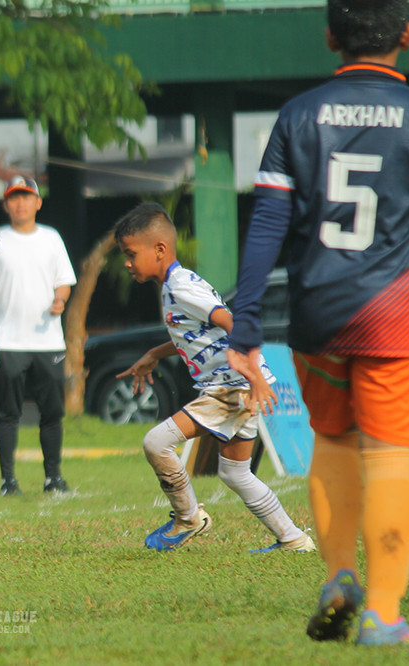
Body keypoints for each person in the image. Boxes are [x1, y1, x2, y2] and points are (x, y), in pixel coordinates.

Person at [226, 0, 409, 647]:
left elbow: (267, 222)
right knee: (390, 459)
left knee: (333, 441)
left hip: (318, 314)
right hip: (396, 321)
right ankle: (382, 612)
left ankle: (339, 574)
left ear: (330, 37)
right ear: (407, 35)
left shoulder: (298, 116)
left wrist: (243, 327)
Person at [113, 203, 316, 556]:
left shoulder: (180, 288)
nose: (127, 263)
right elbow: (197, 336)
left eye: (131, 254)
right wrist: (154, 355)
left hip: (229, 387)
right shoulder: (176, 284)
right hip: (236, 385)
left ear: (159, 250)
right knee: (235, 474)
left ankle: (188, 518)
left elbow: (232, 324)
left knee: (156, 443)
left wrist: (253, 375)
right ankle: (294, 539)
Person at [0, 175, 77, 496]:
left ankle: (53, 477)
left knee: (52, 412)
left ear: (38, 202)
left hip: (48, 340)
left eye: (27, 197)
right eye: (14, 197)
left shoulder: (51, 238)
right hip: (8, 340)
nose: (20, 203)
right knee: (9, 413)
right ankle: (7, 481)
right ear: (6, 204)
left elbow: (64, 279)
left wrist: (60, 300)